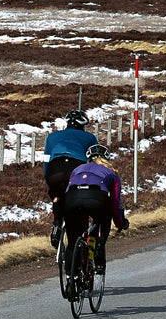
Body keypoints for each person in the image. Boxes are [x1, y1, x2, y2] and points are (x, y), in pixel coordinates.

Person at [59, 144, 128, 274]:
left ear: (88, 159)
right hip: (97, 198)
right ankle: (99, 248)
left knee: (73, 240)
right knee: (104, 217)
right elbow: (115, 204)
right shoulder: (112, 173)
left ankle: (70, 280)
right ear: (106, 160)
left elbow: (69, 188)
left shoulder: (77, 169)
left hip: (72, 198)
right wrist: (120, 222)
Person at [43, 110, 96, 241]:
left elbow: (46, 161)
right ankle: (81, 229)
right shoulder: (89, 137)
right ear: (83, 125)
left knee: (57, 194)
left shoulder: (52, 137)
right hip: (77, 168)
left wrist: (49, 180)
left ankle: (57, 224)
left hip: (55, 169)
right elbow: (95, 162)